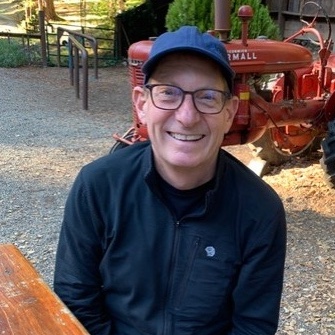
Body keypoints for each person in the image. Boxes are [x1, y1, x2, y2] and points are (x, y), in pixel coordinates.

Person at [54, 26, 286, 335]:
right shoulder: (98, 186)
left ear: (229, 113)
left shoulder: (261, 211)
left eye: (207, 97)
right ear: (142, 104)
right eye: (168, 93)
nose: (187, 116)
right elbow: (75, 300)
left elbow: (253, 327)